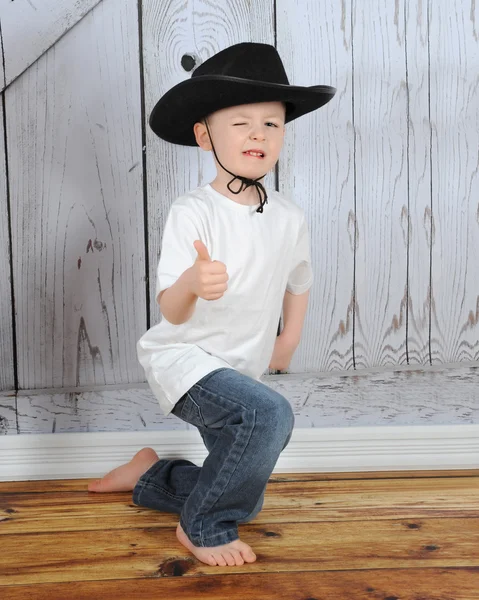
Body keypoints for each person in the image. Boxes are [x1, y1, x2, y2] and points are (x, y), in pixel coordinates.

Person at [88, 42, 335, 567]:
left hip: (239, 366)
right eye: (241, 122)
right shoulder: (193, 211)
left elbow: (299, 280)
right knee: (268, 416)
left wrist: (287, 340)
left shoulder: (289, 217)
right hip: (184, 358)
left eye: (271, 124)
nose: (257, 134)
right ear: (205, 136)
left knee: (247, 493)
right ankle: (202, 527)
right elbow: (172, 311)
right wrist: (193, 283)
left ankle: (151, 474)